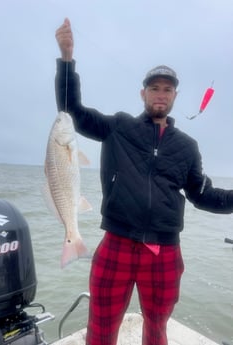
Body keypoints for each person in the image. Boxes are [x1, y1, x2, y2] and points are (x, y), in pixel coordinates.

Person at [55, 18, 233, 345]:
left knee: (156, 332)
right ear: (143, 93)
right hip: (117, 244)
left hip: (163, 251)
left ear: (175, 95)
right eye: (154, 88)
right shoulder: (119, 127)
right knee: (101, 332)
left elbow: (203, 194)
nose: (160, 95)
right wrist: (67, 58)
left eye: (167, 89)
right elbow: (72, 112)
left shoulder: (187, 147)